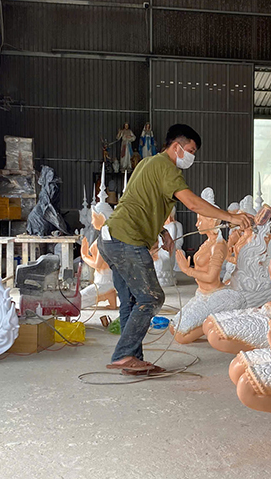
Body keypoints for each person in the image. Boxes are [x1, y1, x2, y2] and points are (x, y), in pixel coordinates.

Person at [99, 123, 254, 375]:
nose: (192, 157)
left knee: (132, 300)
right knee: (152, 297)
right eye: (190, 151)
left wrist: (161, 232)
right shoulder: (167, 167)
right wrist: (230, 217)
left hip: (111, 237)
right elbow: (192, 203)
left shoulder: (147, 164)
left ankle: (131, 359)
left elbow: (138, 202)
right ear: (176, 147)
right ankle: (124, 355)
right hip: (126, 239)